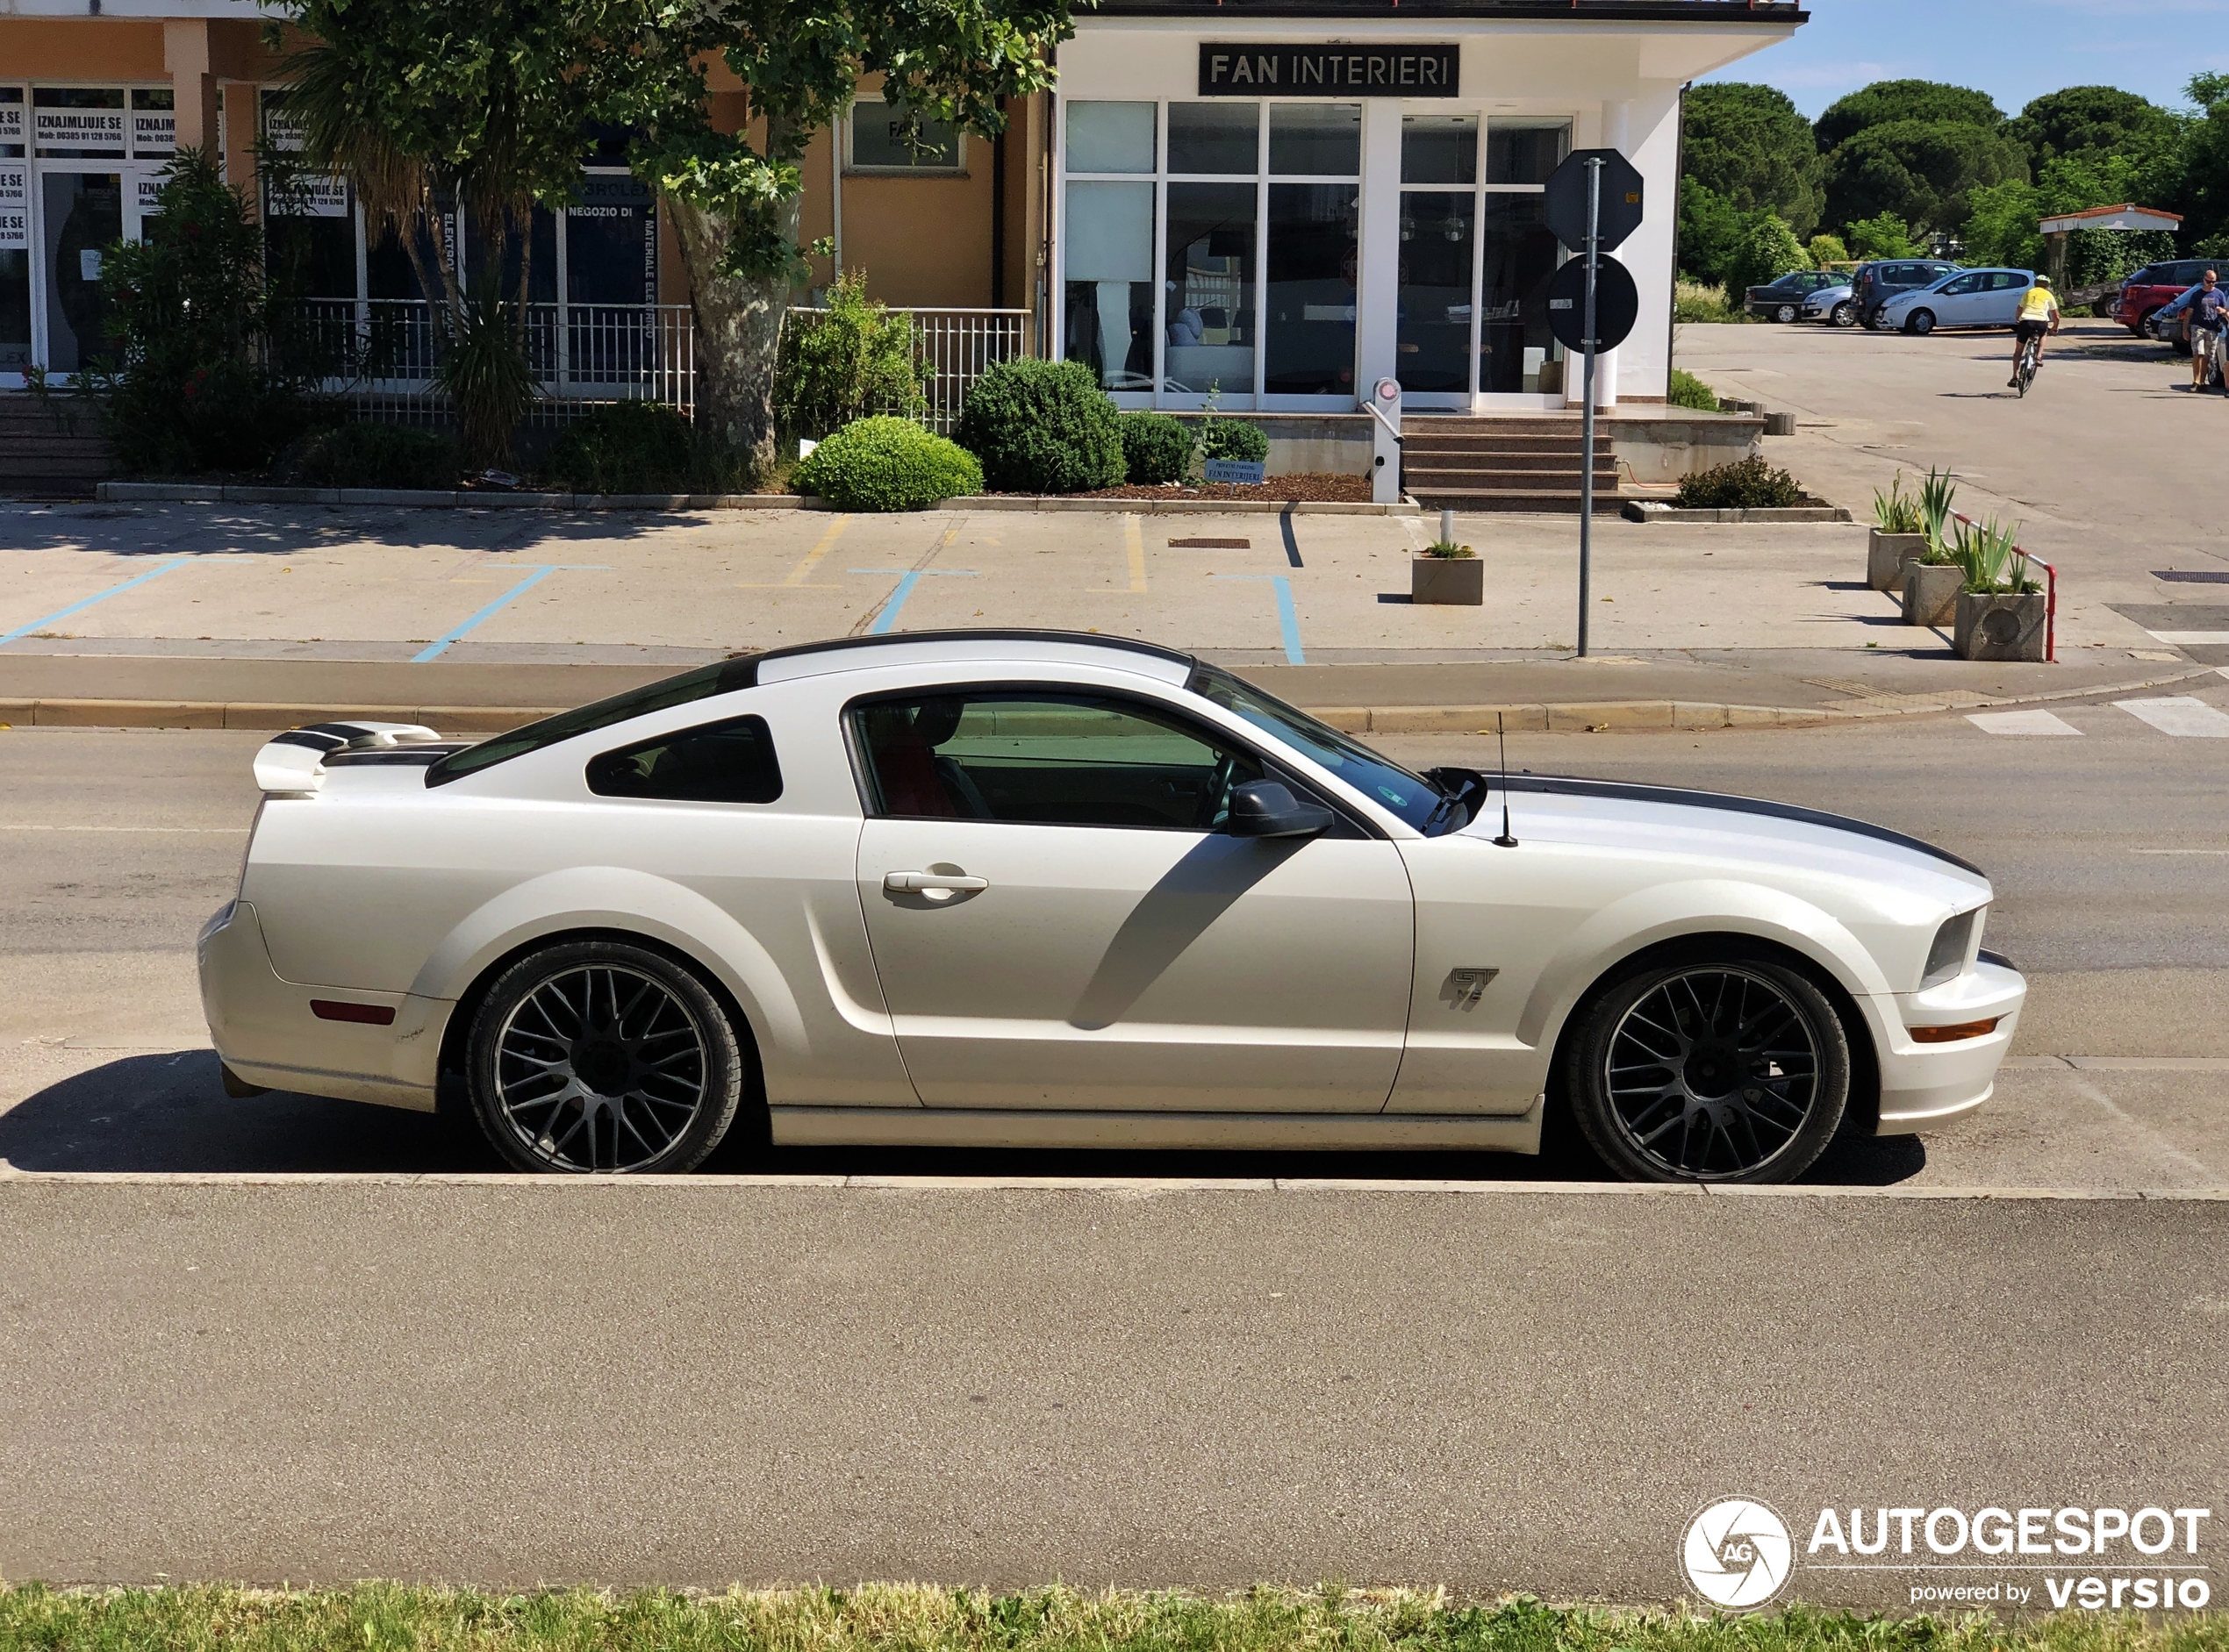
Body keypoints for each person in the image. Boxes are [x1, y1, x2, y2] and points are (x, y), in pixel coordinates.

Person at [2010, 275, 2060, 387]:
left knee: (2018, 351)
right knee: (2044, 334)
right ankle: (2038, 357)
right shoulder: (2048, 295)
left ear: (2035, 284)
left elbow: (2019, 308)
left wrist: (2018, 318)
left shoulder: (2029, 292)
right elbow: (2056, 315)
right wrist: (2055, 327)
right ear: (2047, 286)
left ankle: (2014, 376)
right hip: (2041, 321)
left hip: (2026, 321)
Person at [2184, 270, 2228, 391]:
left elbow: (2226, 311)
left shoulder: (2219, 294)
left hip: (2213, 328)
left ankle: (2202, 382)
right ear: (2204, 280)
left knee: (2208, 356)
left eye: (2213, 282)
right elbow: (2188, 314)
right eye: (2209, 282)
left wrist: (2222, 311)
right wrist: (2185, 329)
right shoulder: (2197, 295)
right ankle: (2195, 381)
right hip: (2198, 327)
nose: (2211, 284)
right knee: (2199, 353)